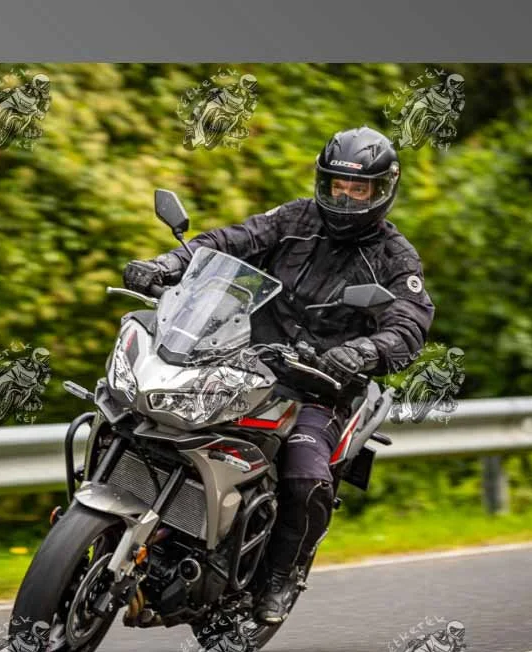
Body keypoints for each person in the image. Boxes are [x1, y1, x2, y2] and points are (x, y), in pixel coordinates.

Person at [123, 126, 435, 623]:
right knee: (144, 412)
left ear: (383, 191)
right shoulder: (295, 218)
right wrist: (171, 262)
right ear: (323, 182)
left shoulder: (396, 258)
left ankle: (281, 575)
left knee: (305, 475)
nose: (345, 198)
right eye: (337, 185)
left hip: (321, 388)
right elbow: (230, 241)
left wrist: (362, 351)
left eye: (358, 190)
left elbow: (409, 323)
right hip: (245, 362)